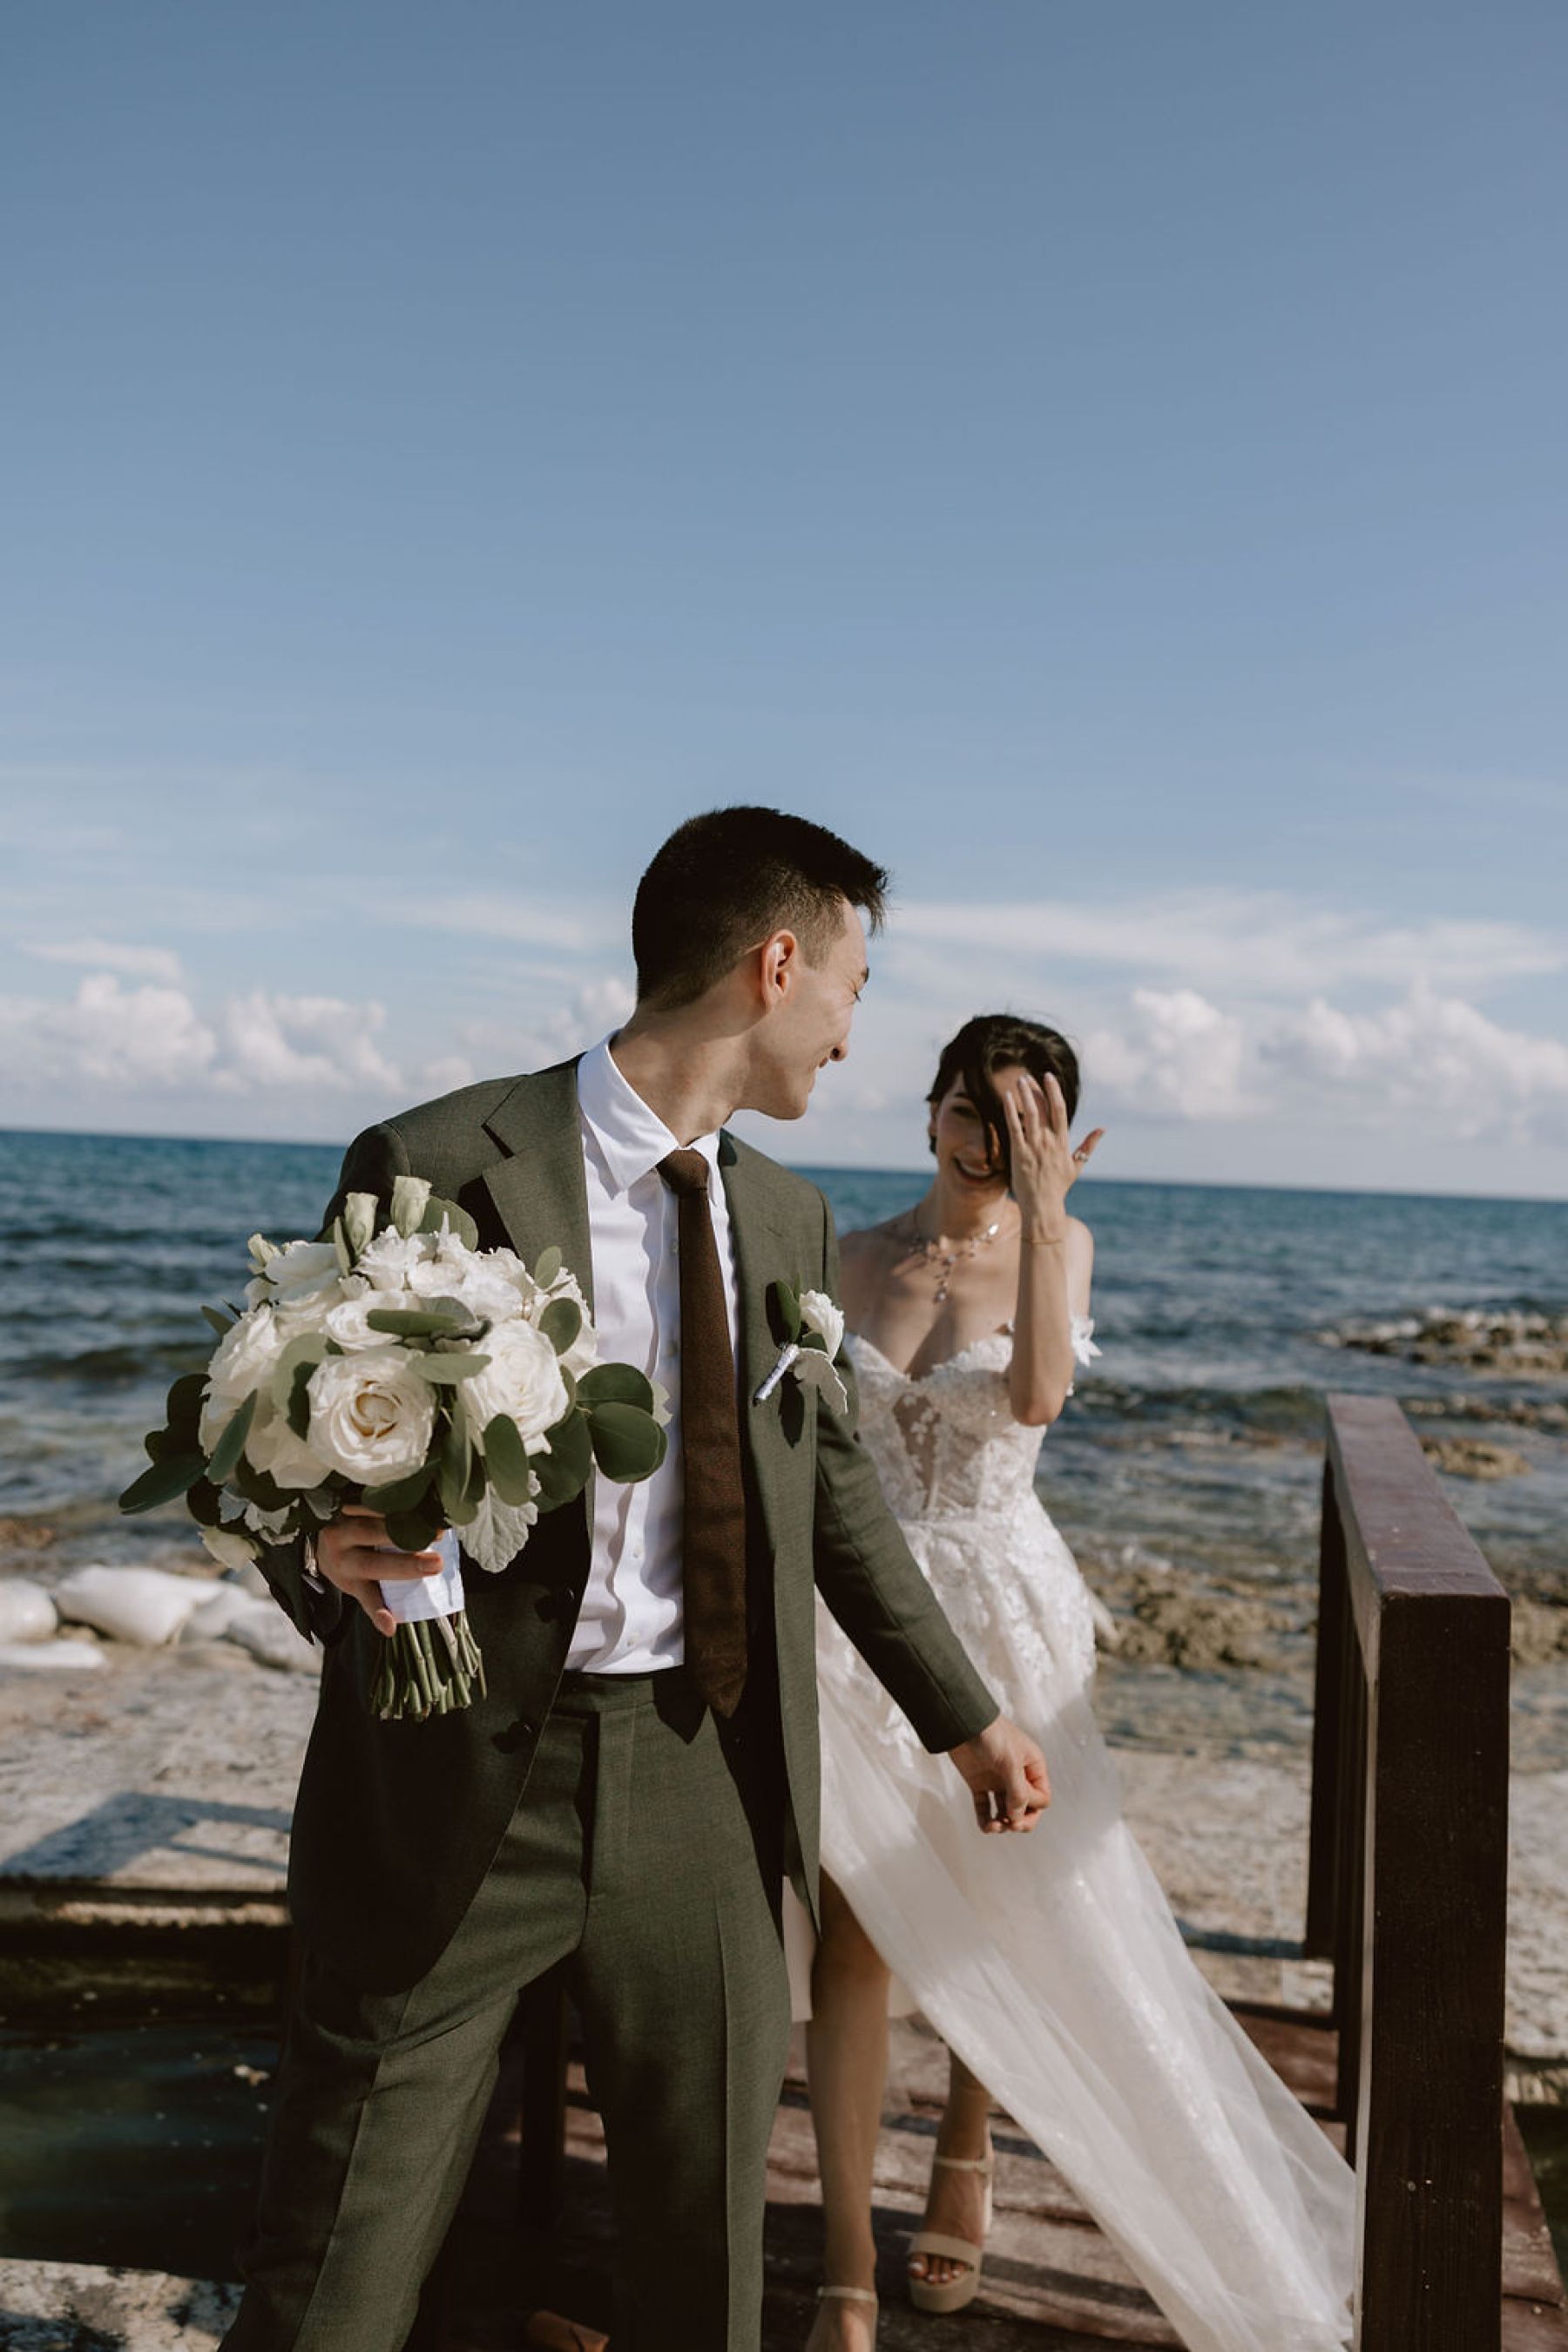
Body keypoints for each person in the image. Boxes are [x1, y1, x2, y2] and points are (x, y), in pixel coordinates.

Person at [224, 813, 1051, 2352]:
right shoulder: (436, 1162)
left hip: (708, 1779)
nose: (856, 1037)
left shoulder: (791, 1218)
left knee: (702, 2276)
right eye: (854, 990)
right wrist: (311, 1547)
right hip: (455, 1777)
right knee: (334, 2266)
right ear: (776, 963)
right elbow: (291, 1425)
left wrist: (966, 1716)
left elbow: (838, 1501)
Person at [801, 1014, 1355, 2352]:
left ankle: (965, 2160)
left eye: (1021, 1126)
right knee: (857, 1929)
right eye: (970, 1113)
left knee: (1010, 1903)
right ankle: (842, 2267)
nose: (988, 1145)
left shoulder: (1065, 1243)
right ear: (929, 1109)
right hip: (861, 1619)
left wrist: (1047, 1219)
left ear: (1052, 1140)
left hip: (1003, 1612)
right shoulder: (847, 1249)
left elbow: (1040, 1394)